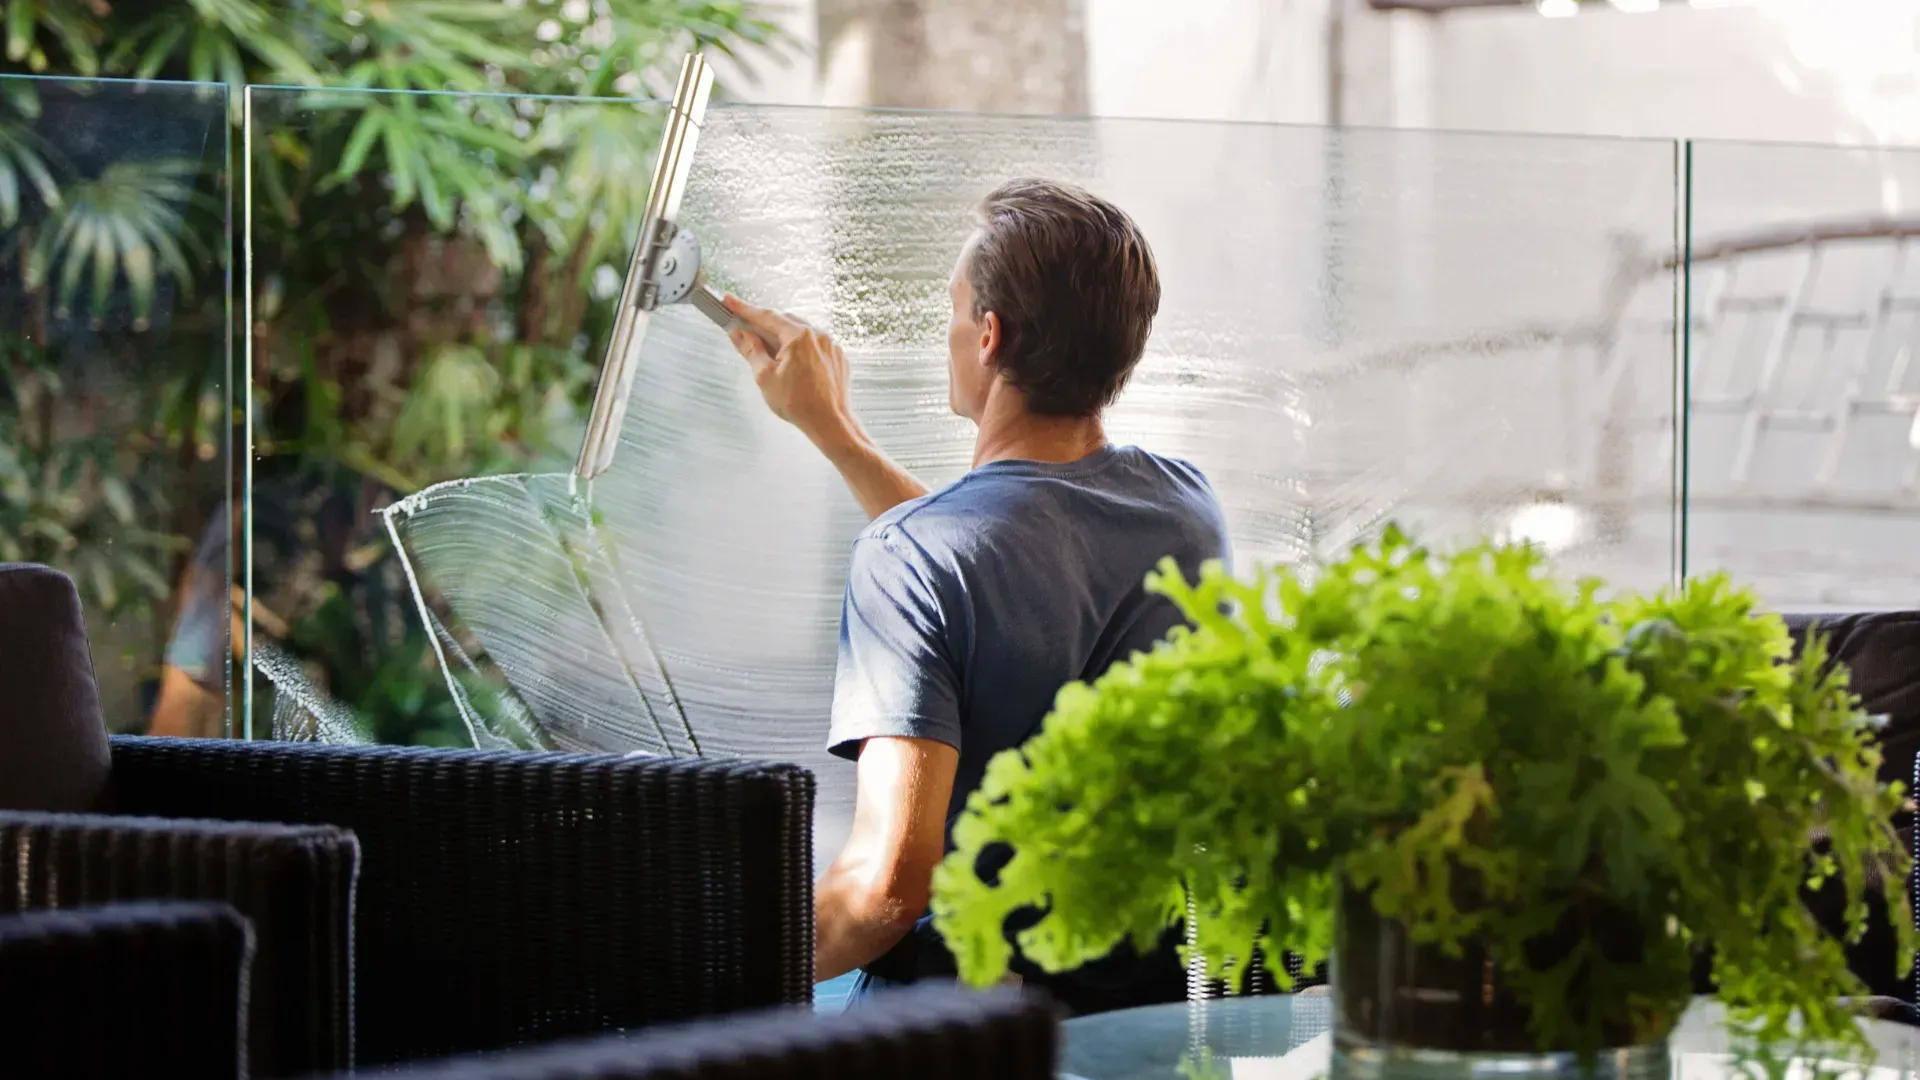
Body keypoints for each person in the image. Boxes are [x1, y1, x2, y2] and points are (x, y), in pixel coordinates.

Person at [721, 177, 1230, 1014]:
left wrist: (699, 967)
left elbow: (885, 891)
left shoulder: (915, 557)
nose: (950, 331)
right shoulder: (1187, 510)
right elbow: (1008, 558)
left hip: (965, 1028)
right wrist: (836, 434)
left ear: (989, 337)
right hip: (1140, 1015)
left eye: (954, 310)